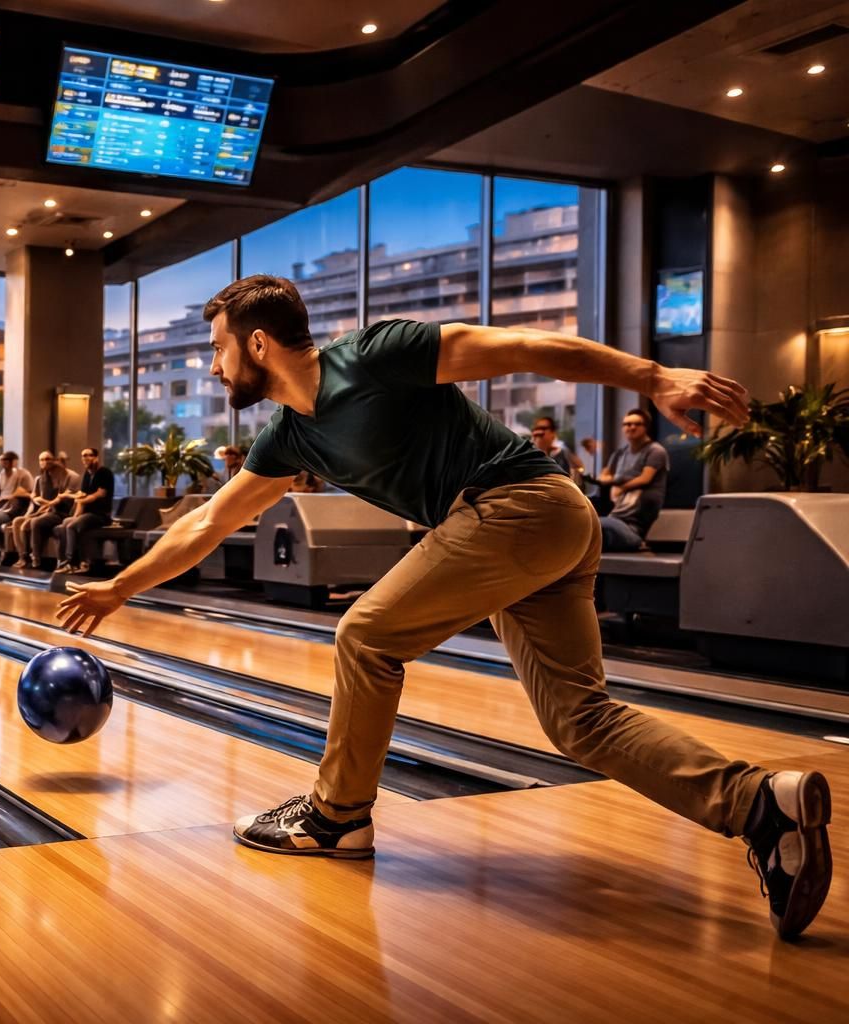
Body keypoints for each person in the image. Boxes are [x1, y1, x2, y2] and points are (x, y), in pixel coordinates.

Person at [56, 274, 829, 941]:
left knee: (364, 634)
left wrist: (653, 376)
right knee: (579, 720)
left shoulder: (375, 356)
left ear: (257, 344)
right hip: (532, 530)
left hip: (519, 504)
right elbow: (206, 522)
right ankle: (760, 805)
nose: (214, 364)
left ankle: (336, 818)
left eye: (218, 347)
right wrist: (119, 588)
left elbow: (527, 347)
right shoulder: (292, 437)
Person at [597, 408, 670, 552]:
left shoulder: (655, 451)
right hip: (616, 518)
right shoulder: (619, 454)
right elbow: (603, 477)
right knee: (586, 527)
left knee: (593, 524)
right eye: (627, 424)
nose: (631, 427)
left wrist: (621, 485)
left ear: (646, 427)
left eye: (637, 424)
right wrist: (615, 481)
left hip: (633, 529)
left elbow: (645, 478)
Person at [53, 447, 115, 574]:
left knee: (71, 526)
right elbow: (81, 496)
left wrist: (80, 499)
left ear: (96, 457)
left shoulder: (104, 472)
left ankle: (72, 562)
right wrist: (76, 513)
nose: (85, 458)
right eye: (83, 456)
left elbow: (100, 494)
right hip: (88, 514)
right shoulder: (87, 474)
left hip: (101, 515)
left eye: (88, 455)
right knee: (65, 523)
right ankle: (64, 561)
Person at [15, 451, 79, 570]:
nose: (46, 462)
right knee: (18, 522)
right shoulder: (42, 478)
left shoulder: (71, 476)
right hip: (47, 510)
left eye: (48, 459)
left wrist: (46, 503)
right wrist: (37, 501)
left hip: (62, 512)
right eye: (42, 460)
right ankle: (23, 557)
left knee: (35, 522)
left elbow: (62, 499)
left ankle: (36, 559)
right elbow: (35, 496)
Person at [530, 415, 586, 484]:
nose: (539, 432)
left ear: (553, 433)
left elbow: (579, 467)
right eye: (536, 429)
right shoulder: (529, 454)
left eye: (543, 428)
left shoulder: (562, 452)